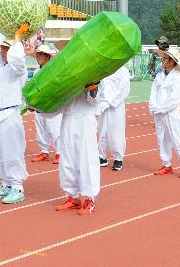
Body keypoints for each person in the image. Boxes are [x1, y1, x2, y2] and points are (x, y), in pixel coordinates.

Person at [0, 24, 30, 204]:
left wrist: (18, 37)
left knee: (12, 152)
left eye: (5, 49)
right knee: (0, 153)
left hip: (10, 113)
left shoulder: (18, 68)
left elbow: (17, 58)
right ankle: (6, 184)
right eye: (2, 48)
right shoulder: (0, 66)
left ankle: (17, 187)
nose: (2, 51)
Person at [54, 82, 101, 216]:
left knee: (87, 158)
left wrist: (94, 89)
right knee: (67, 160)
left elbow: (96, 100)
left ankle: (89, 199)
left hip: (85, 118)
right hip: (67, 118)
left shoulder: (92, 70)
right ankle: (72, 197)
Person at [150, 48, 180, 178]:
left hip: (171, 114)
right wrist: (154, 107)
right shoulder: (160, 76)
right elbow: (153, 93)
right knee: (162, 139)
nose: (163, 60)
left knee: (177, 138)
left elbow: (174, 99)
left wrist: (162, 108)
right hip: (159, 114)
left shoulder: (177, 79)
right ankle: (166, 165)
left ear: (172, 62)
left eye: (166, 58)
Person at [30, 44, 62, 164]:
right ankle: (44, 152)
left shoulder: (54, 69)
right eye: (37, 54)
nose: (38, 57)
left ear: (47, 57)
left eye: (40, 54)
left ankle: (59, 152)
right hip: (39, 105)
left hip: (52, 104)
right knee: (41, 128)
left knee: (54, 128)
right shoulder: (36, 71)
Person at [97, 64, 131, 171]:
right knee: (102, 131)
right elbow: (101, 87)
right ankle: (101, 157)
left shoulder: (123, 71)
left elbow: (124, 90)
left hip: (116, 106)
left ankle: (118, 158)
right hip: (103, 105)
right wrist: (101, 101)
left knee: (116, 132)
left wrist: (111, 102)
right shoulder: (104, 68)